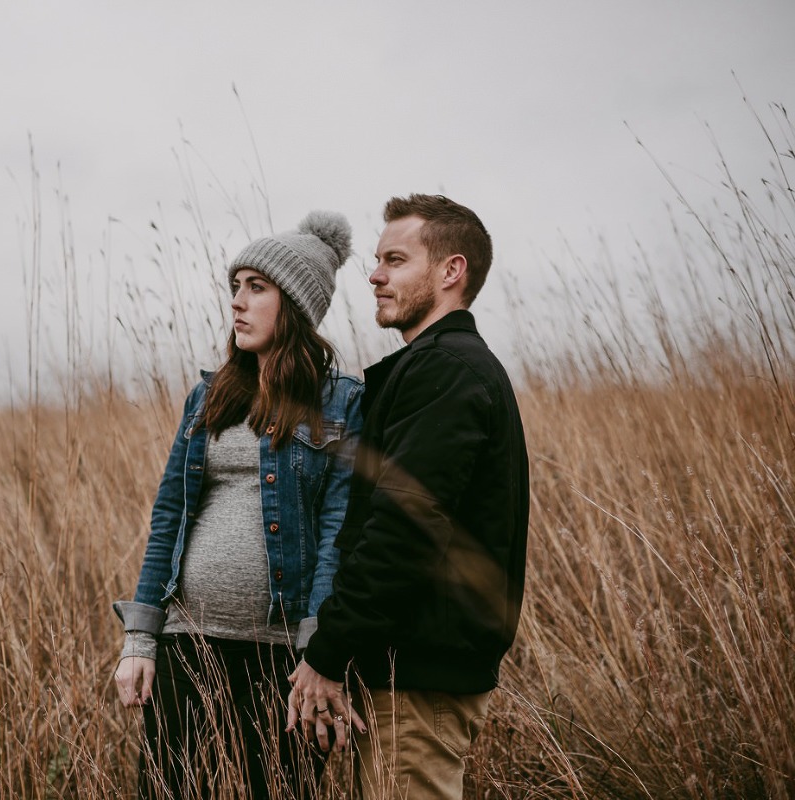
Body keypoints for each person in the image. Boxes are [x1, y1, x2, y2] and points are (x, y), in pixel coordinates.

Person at [286, 194, 530, 799]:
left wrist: (327, 650)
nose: (373, 275)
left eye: (394, 260)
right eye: (375, 260)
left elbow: (403, 528)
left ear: (451, 271)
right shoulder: (435, 366)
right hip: (410, 671)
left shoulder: (446, 371)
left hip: (420, 677)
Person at [113, 211, 364, 799]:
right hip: (188, 644)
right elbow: (169, 516)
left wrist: (319, 648)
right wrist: (140, 639)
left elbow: (337, 532)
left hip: (282, 658)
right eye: (235, 287)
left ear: (296, 305)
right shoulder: (210, 396)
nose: (237, 302)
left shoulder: (342, 404)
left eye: (257, 287)